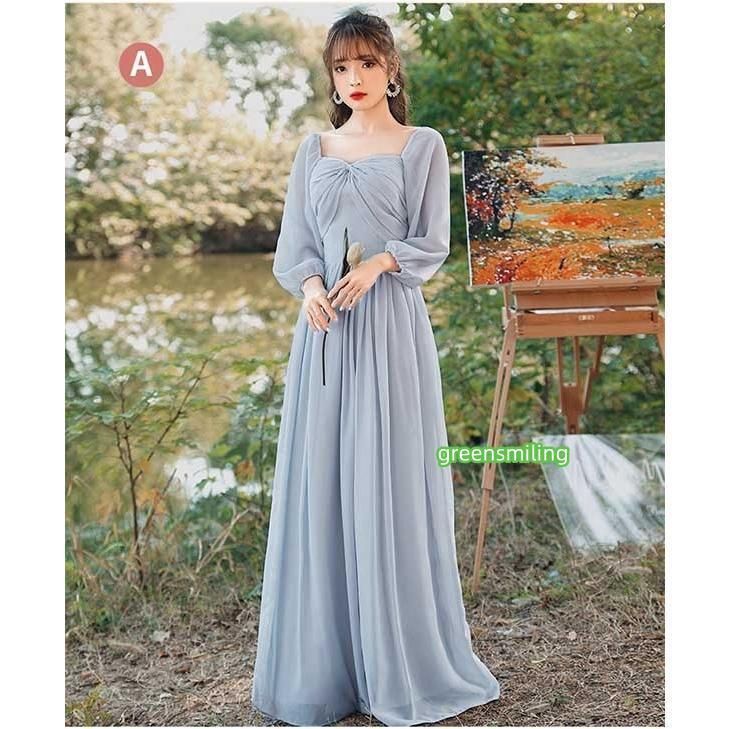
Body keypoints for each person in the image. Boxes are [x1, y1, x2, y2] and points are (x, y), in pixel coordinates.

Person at [251, 9, 500, 726]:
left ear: (391, 69)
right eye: (340, 66)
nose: (353, 77)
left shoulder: (422, 144)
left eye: (365, 62)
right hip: (325, 334)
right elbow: (296, 244)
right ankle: (326, 673)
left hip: (388, 326)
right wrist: (310, 289)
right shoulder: (314, 149)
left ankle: (397, 662)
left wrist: (379, 264)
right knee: (324, 480)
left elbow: (432, 240)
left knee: (387, 476)